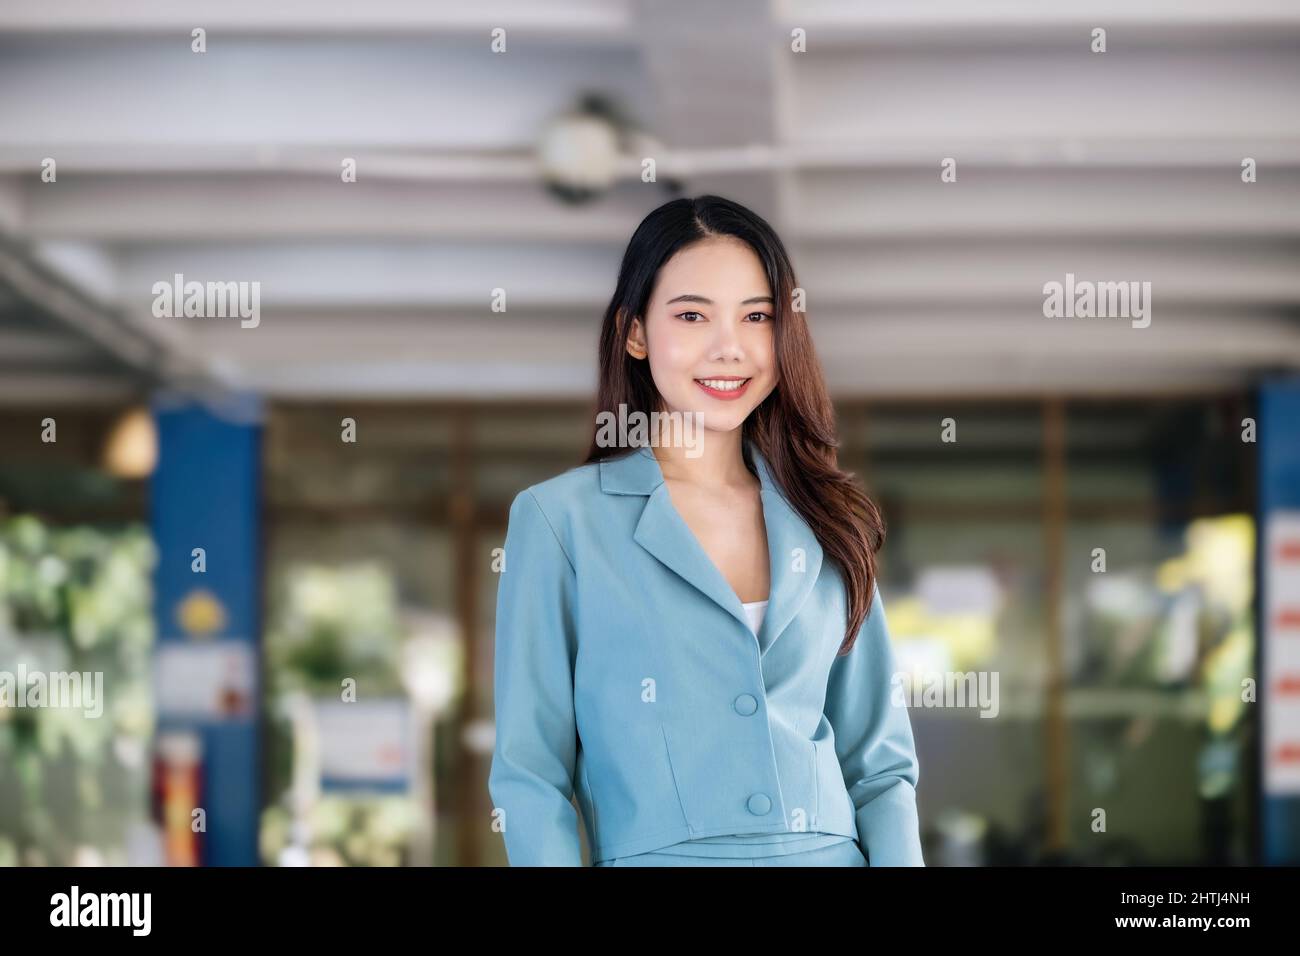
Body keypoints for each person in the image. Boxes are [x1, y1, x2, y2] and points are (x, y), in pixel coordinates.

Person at [489, 195, 923, 867]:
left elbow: (880, 764)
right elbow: (530, 771)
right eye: (692, 315)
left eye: (757, 317)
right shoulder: (560, 522)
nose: (730, 348)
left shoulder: (827, 516)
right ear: (635, 332)